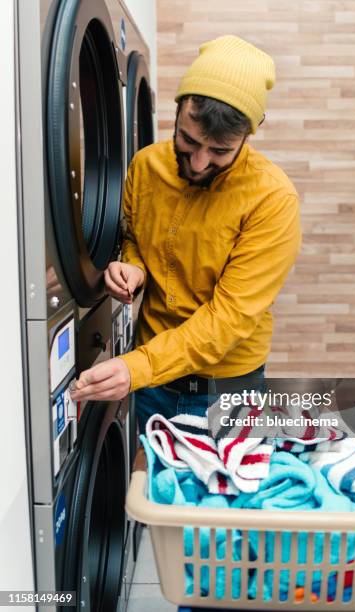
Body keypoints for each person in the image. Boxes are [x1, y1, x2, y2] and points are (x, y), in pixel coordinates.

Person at [70, 35, 302, 432]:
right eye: (188, 140)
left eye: (219, 152)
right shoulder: (145, 167)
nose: (198, 162)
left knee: (218, 493)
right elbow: (133, 239)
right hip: (152, 382)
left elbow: (229, 319)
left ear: (251, 132)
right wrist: (133, 268)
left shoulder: (273, 198)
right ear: (178, 110)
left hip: (226, 389)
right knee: (153, 489)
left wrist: (140, 365)